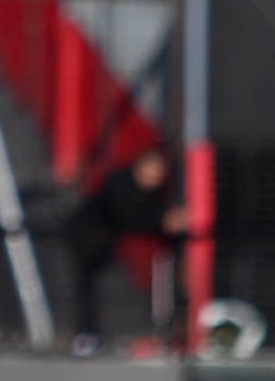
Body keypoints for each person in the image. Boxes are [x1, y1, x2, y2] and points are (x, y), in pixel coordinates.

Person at [62, 147, 187, 357]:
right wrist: (164, 222)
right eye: (149, 172)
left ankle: (162, 333)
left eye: (158, 174)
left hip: (112, 242)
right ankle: (87, 337)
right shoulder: (119, 185)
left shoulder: (156, 195)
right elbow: (131, 218)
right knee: (88, 287)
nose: (153, 179)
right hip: (89, 239)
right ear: (138, 168)